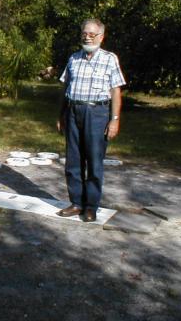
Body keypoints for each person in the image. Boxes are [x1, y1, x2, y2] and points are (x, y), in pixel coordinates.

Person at [56, 18, 126, 222]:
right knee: (73, 161)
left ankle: (90, 207)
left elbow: (116, 91)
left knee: (94, 162)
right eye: (84, 33)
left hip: (97, 114)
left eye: (92, 34)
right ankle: (76, 203)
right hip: (73, 112)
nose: (87, 37)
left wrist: (114, 120)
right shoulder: (73, 59)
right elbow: (65, 88)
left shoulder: (109, 59)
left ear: (101, 37)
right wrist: (61, 115)